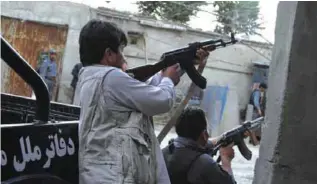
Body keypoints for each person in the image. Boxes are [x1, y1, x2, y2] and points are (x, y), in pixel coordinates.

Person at [74, 19, 209, 184]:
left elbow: (143, 91)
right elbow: (161, 100)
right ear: (109, 54)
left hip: (102, 173)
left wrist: (183, 64)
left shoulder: (92, 78)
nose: (123, 57)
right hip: (113, 177)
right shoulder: (110, 77)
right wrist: (167, 80)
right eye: (121, 50)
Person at [162, 106, 236, 184]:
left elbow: (198, 143)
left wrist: (221, 139)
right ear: (204, 134)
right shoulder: (205, 163)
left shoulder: (164, 152)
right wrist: (226, 159)